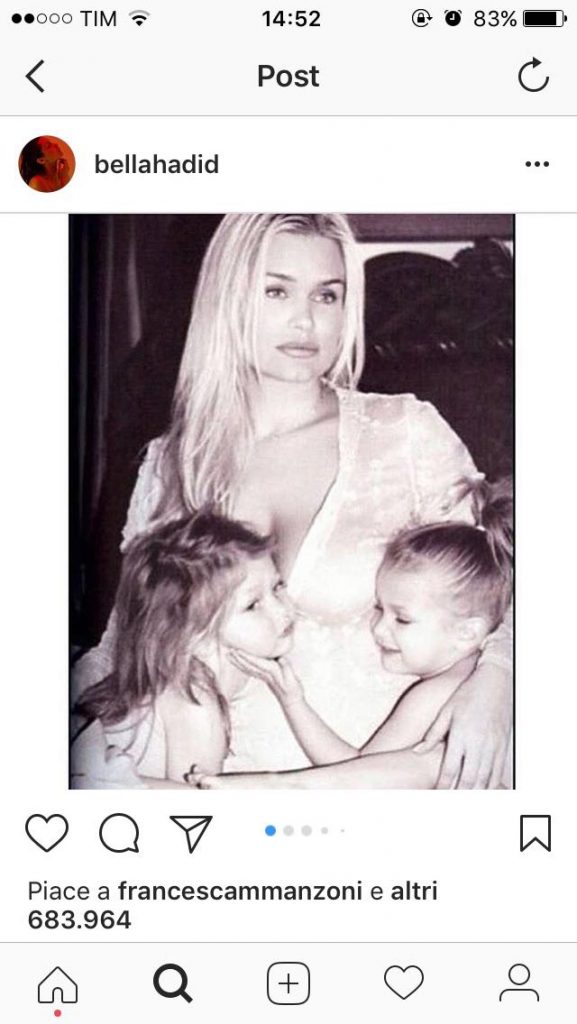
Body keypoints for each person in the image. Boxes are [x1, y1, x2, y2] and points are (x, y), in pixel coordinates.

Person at [73, 213, 512, 787]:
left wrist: (500, 682)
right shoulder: (170, 463)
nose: (306, 320)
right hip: (199, 791)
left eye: (327, 295)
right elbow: (126, 645)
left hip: (382, 789)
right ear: (229, 298)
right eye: (277, 291)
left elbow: (505, 585)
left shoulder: (405, 433)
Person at [190, 478, 513, 789]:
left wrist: (293, 701)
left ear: (467, 633)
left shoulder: (437, 694)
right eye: (379, 609)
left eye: (402, 619)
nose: (379, 628)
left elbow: (355, 777)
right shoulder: (463, 675)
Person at [71, 512, 293, 788]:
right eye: (252, 605)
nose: (282, 609)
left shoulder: (179, 677)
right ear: (194, 634)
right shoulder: (195, 703)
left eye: (277, 586)